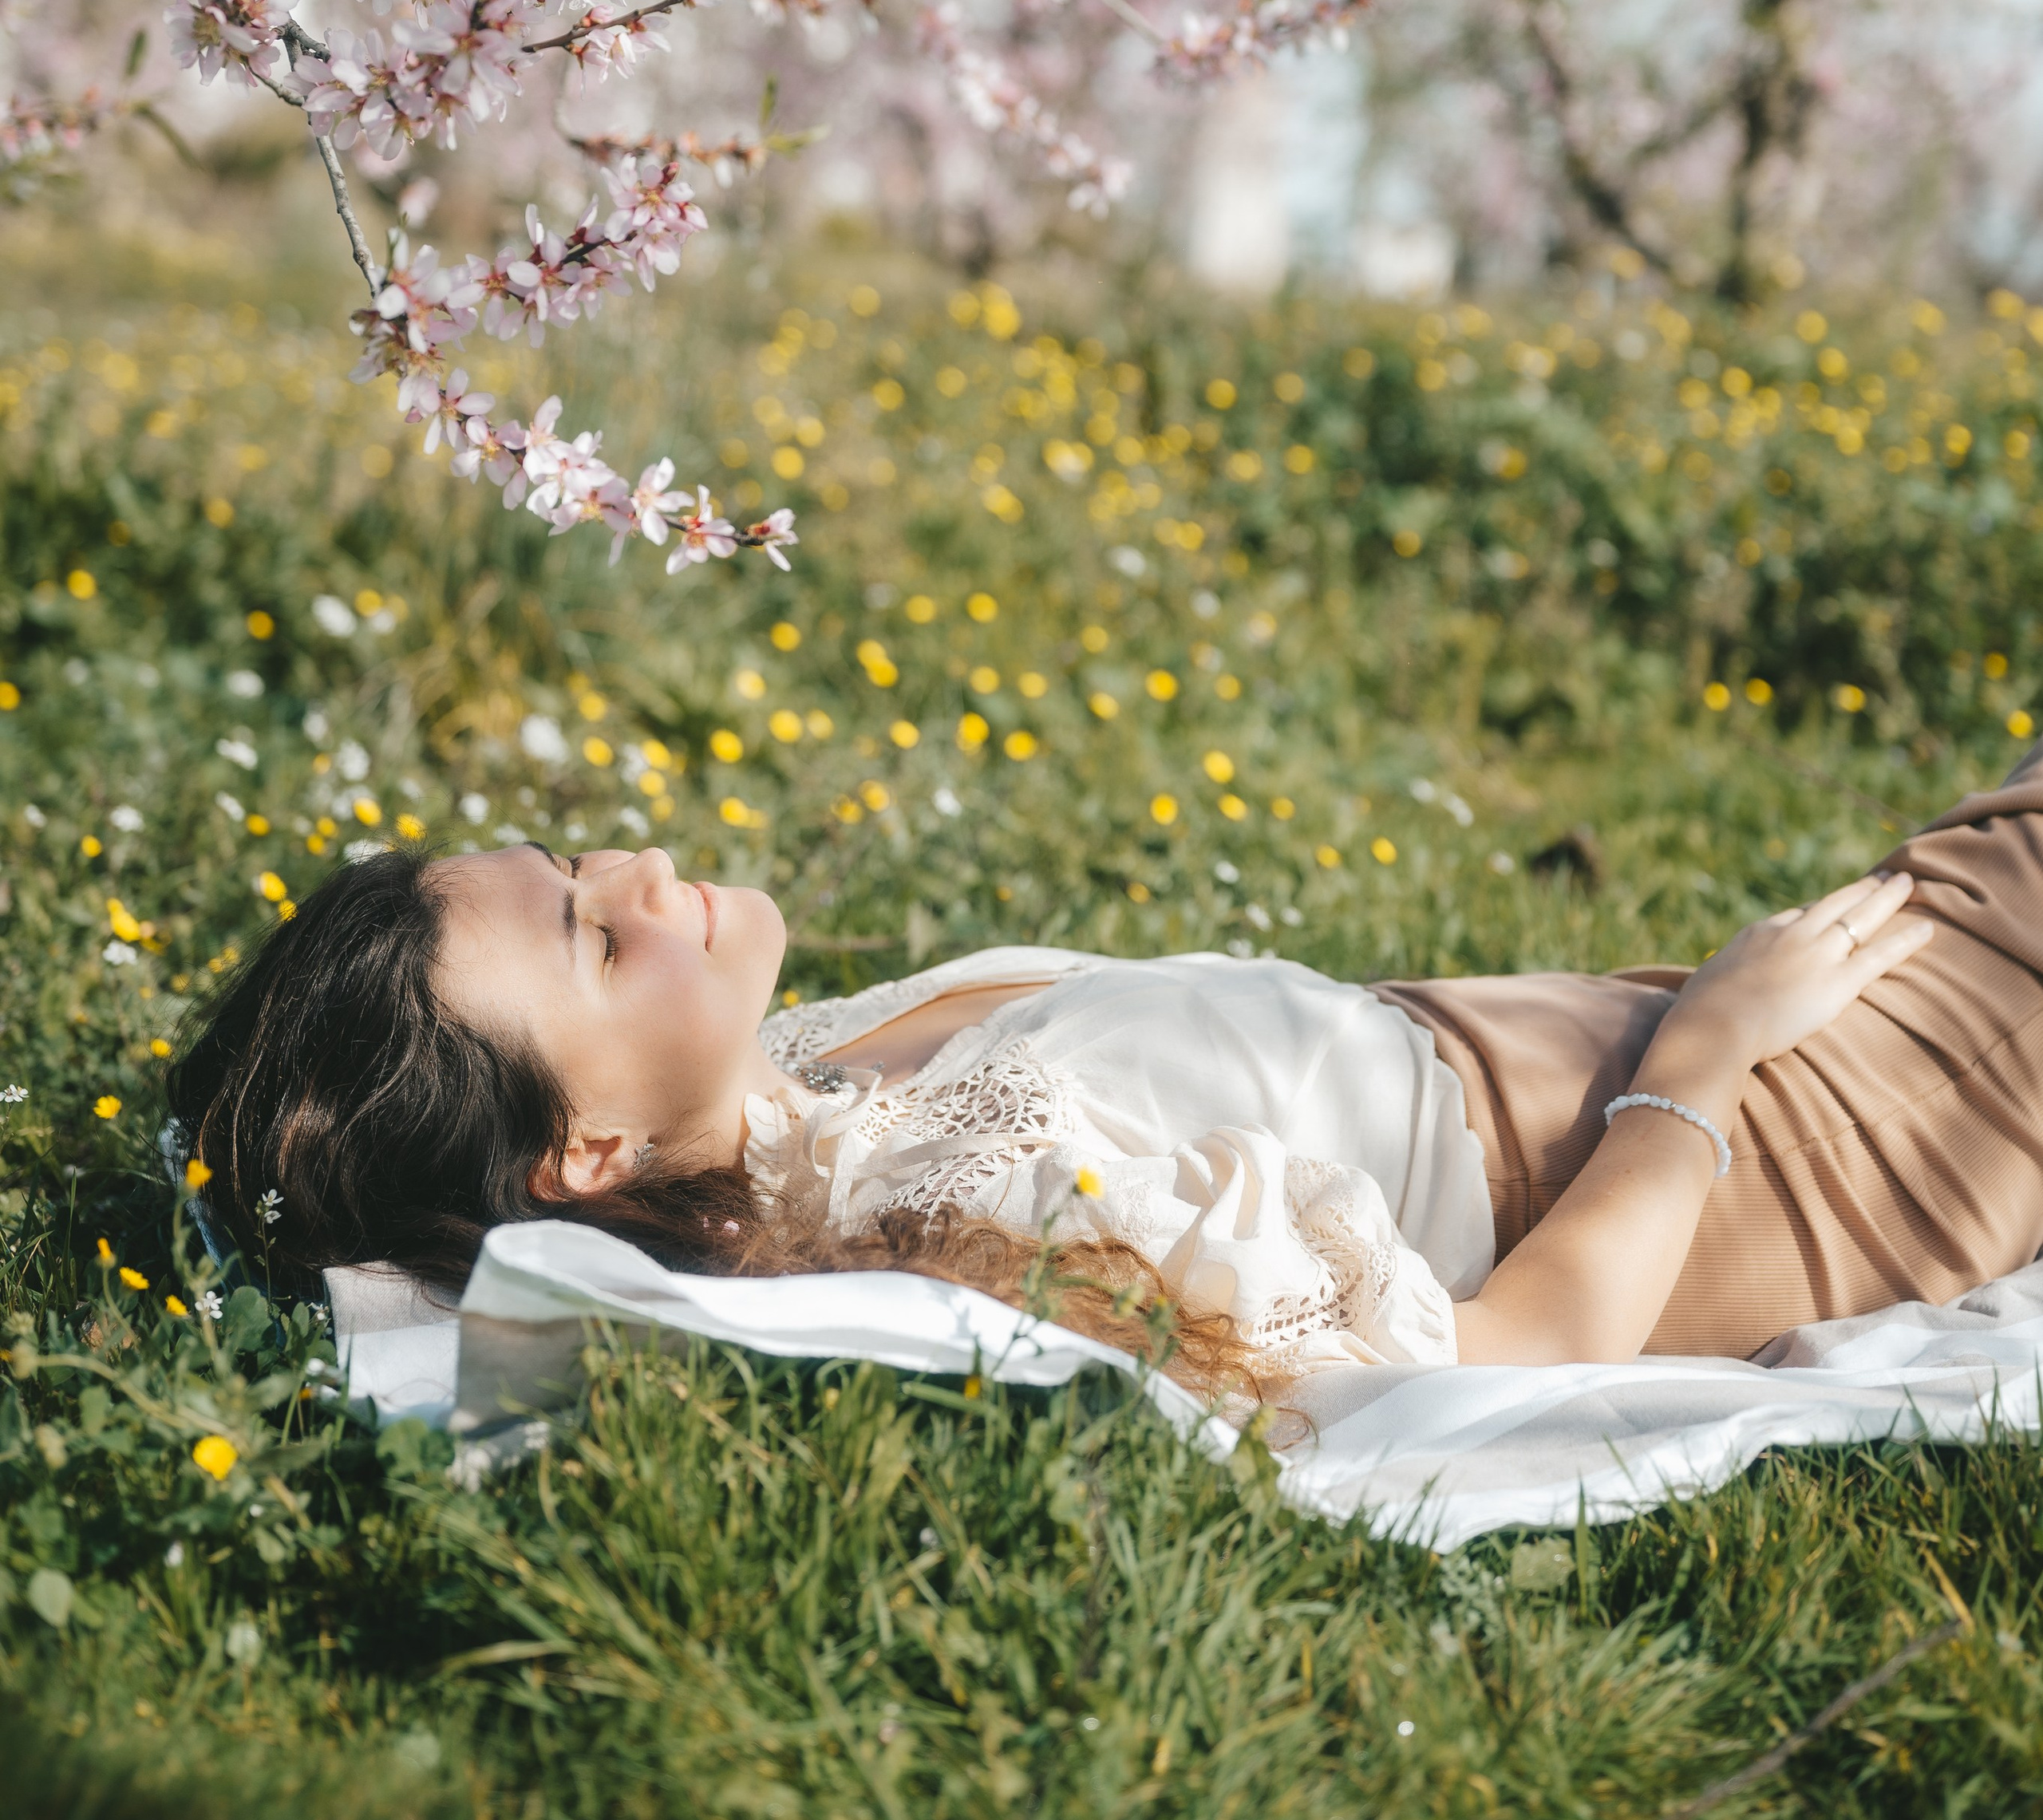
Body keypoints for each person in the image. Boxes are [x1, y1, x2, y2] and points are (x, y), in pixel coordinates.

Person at [167, 751, 2043, 1388]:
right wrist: (1703, 1055)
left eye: (577, 861)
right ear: (581, 1154)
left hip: (1585, 1037)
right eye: (594, 936)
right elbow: (1519, 1354)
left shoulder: (785, 1082)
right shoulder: (955, 1220)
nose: (643, 866)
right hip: (1760, 1156)